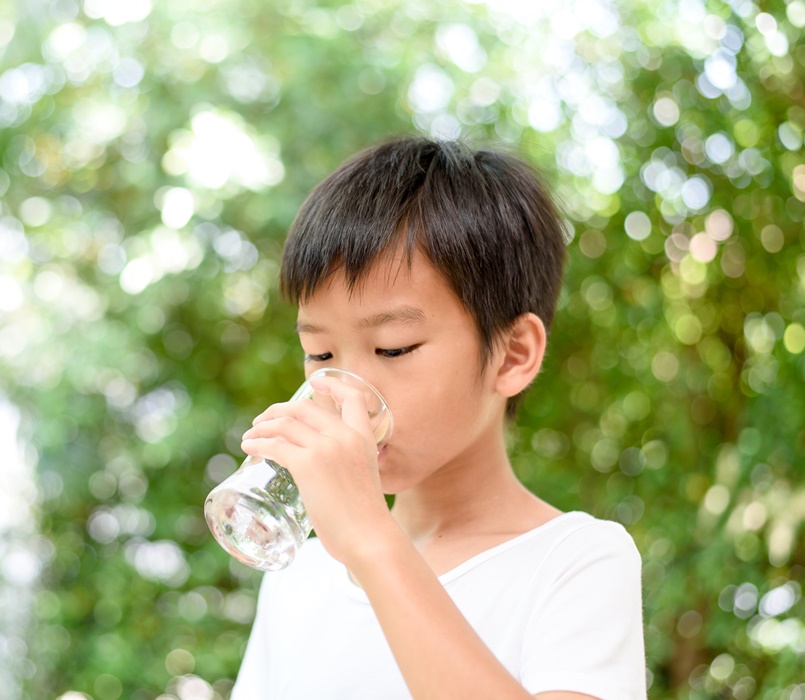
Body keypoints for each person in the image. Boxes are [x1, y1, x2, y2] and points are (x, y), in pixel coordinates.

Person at [230, 136, 646, 699]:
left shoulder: (576, 561)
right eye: (322, 356)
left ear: (514, 353)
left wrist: (372, 541)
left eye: (395, 348)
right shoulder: (301, 575)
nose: (346, 395)